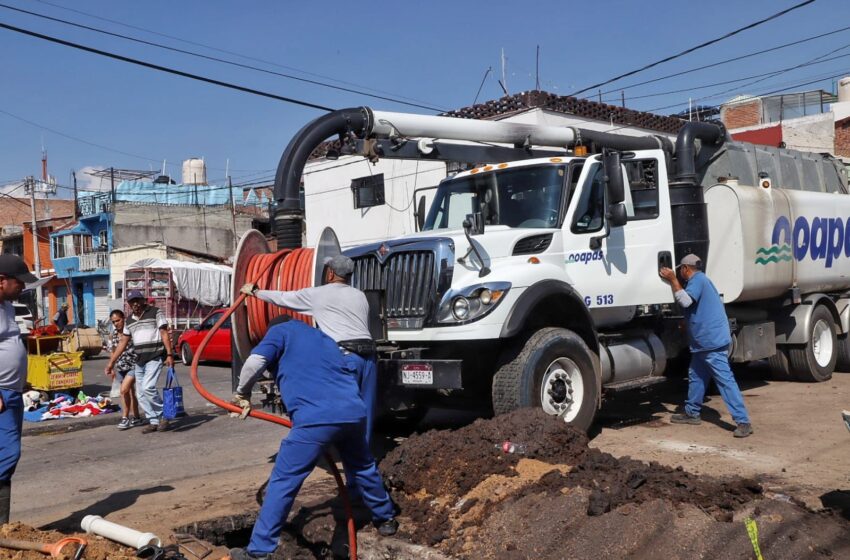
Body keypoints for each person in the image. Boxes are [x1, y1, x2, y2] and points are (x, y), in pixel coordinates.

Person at [228, 316, 397, 560]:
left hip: (316, 417)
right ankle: (385, 519)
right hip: (353, 410)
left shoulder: (281, 332)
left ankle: (258, 551)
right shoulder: (324, 338)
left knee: (284, 481)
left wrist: (242, 393)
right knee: (362, 466)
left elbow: (255, 361)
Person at [240, 254, 378, 440]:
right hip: (369, 359)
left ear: (330, 274)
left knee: (342, 412)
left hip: (345, 359)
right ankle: (363, 460)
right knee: (364, 413)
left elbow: (283, 298)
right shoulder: (360, 295)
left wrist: (257, 292)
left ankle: (342, 455)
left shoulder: (318, 294)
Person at [659, 254, 753, 438]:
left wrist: (672, 280)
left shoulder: (697, 280)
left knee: (725, 381)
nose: (679, 273)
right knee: (696, 376)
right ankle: (692, 412)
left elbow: (685, 301)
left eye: (680, 270)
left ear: (686, 269)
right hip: (705, 342)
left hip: (710, 342)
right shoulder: (703, 280)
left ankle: (743, 421)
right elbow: (697, 308)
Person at [105, 290, 175, 433]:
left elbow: (164, 333)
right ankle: (153, 420)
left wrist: (169, 354)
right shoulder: (129, 321)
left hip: (154, 356)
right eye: (131, 301)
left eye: (137, 300)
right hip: (139, 361)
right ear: (129, 304)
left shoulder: (155, 312)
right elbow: (122, 343)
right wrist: (111, 362)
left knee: (148, 387)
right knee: (141, 394)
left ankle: (165, 414)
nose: (135, 304)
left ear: (143, 300)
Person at [0, 254, 36, 523]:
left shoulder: (8, 307)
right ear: (2, 281)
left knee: (6, 458)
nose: (22, 287)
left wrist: (20, 378)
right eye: (18, 282)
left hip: (11, 392)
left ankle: (3, 527)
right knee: (8, 454)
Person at [106, 309, 142, 430]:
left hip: (133, 365)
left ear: (124, 319)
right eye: (113, 322)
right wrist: (111, 367)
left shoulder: (131, 331)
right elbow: (112, 352)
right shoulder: (113, 336)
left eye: (118, 320)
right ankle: (137, 417)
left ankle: (125, 418)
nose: (116, 323)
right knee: (130, 392)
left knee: (123, 390)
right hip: (121, 367)